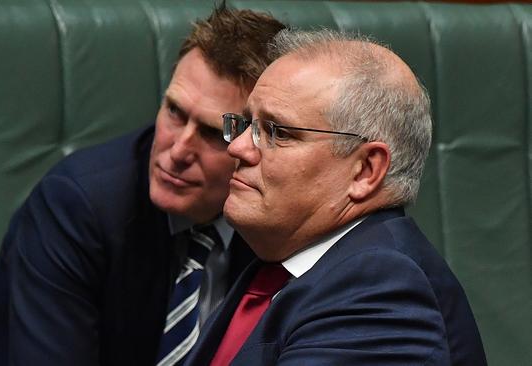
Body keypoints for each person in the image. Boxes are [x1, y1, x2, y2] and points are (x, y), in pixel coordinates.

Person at [0, 5, 285, 366]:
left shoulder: (278, 211)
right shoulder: (77, 203)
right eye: (174, 111)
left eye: (212, 132)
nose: (177, 150)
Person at [185, 29, 487, 365]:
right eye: (245, 124)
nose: (238, 147)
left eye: (277, 132)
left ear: (365, 171)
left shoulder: (381, 288)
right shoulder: (282, 262)